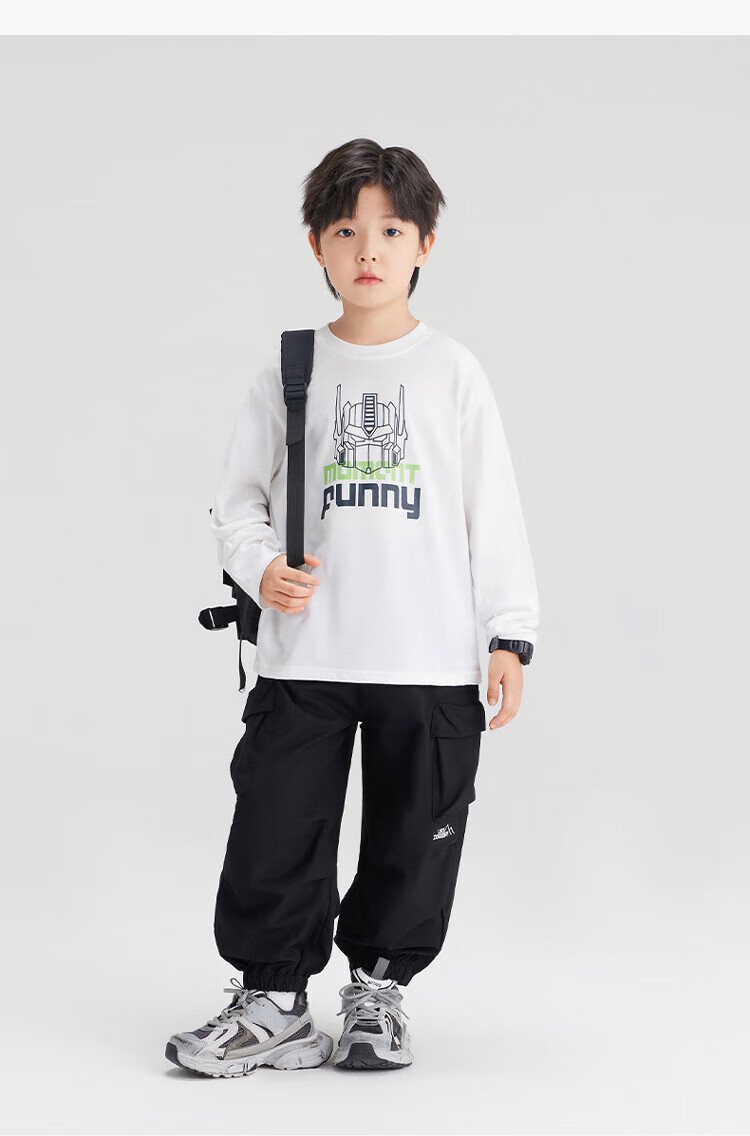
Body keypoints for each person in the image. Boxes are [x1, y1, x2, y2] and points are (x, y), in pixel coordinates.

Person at [166, 138, 539, 1076]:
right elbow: (235, 501)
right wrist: (261, 569)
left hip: (429, 656)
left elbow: (492, 509)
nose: (368, 249)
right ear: (317, 247)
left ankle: (377, 992)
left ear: (424, 245)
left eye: (391, 230)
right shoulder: (291, 367)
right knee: (275, 829)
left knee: (416, 836)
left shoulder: (452, 371)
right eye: (346, 231)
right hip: (307, 655)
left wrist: (509, 634)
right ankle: (274, 1003)